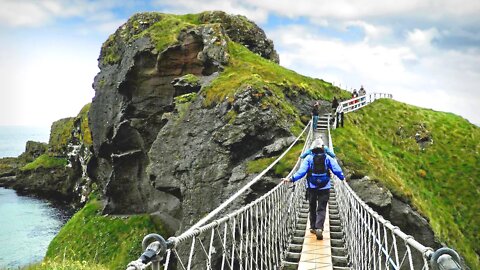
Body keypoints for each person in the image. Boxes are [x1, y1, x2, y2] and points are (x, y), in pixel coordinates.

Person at [282, 139, 345, 240]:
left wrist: (291, 179)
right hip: (325, 186)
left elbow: (301, 172)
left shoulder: (309, 158)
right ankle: (319, 227)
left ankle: (312, 227)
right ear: (322, 148)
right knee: (322, 208)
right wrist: (342, 178)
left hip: (311, 186)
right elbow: (336, 169)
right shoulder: (327, 157)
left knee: (312, 206)